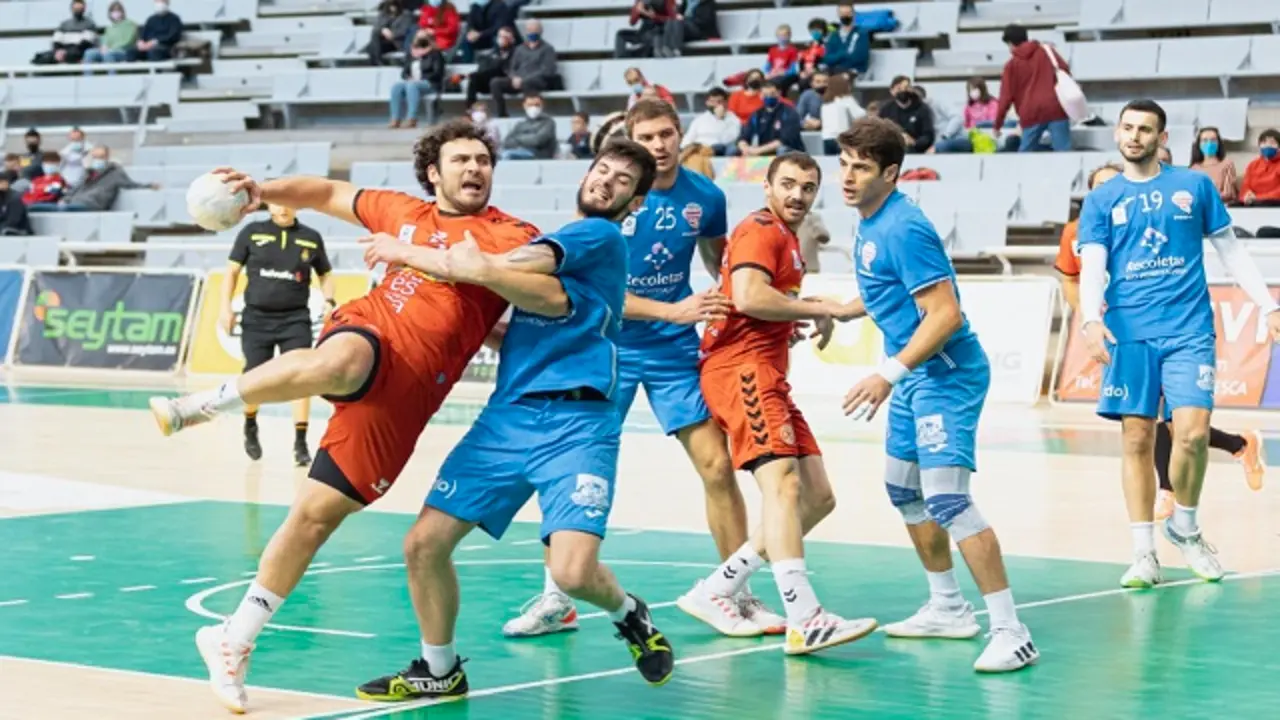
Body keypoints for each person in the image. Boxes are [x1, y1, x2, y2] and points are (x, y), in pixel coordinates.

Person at [148, 120, 540, 714]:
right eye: (461, 159)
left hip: (408, 398)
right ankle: (202, 406)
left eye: (483, 160)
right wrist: (263, 193)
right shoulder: (400, 210)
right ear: (434, 172)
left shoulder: (510, 232)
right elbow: (327, 194)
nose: (474, 169)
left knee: (313, 518)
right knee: (341, 360)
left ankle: (231, 637)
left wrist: (491, 324)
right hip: (373, 330)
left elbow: (536, 284)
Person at [354, 139, 675, 701]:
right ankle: (440, 668)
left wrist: (408, 252)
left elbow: (490, 267)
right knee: (423, 545)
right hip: (507, 420)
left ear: (637, 203)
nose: (606, 182)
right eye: (602, 170)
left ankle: (630, 614)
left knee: (574, 574)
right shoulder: (566, 251)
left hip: (578, 425)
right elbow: (516, 314)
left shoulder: (598, 237)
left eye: (623, 180)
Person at [502, 99, 786, 639]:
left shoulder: (706, 196)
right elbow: (597, 290)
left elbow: (719, 262)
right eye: (647, 136)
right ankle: (557, 600)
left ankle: (734, 595)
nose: (659, 145)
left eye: (666, 134)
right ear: (631, 139)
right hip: (604, 346)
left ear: (680, 135)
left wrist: (739, 306)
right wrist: (672, 308)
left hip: (674, 349)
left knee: (716, 467)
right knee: (567, 469)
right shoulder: (610, 201)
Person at [834, 116, 1037, 672]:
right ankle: (948, 607)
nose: (848, 177)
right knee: (904, 491)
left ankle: (1010, 629)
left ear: (891, 173)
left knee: (948, 500)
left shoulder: (903, 227)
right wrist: (835, 313)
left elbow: (945, 314)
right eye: (844, 164)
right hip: (915, 375)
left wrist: (887, 374)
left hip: (946, 375)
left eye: (862, 168)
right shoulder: (870, 221)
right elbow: (883, 288)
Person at [1077, 99, 1280, 589]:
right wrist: (1088, 319)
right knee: (1137, 439)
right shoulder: (1103, 199)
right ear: (1118, 134)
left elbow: (1230, 250)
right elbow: (1094, 263)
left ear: (1162, 138)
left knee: (1190, 433)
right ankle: (1143, 552)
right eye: (1127, 127)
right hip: (1129, 333)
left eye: (1145, 129)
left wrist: (1268, 305)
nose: (1134, 136)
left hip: (1189, 328)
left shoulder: (1194, 186)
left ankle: (1185, 527)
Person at [682, 152, 878, 655]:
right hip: (740, 370)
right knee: (784, 486)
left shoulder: (789, 240)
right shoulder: (760, 230)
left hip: (768, 370)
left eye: (807, 187)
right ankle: (805, 616)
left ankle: (716, 589)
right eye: (787, 184)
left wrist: (791, 322)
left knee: (817, 496)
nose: (797, 194)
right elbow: (748, 296)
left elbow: (760, 304)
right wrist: (822, 307)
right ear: (767, 187)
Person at [1056, 164, 1266, 520]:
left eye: (1114, 182)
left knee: (1178, 420)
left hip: (1167, 324)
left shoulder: (1147, 219)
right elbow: (1071, 280)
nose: (1110, 191)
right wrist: (1090, 319)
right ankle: (1238, 444)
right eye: (1100, 187)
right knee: (1152, 421)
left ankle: (1170, 491)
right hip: (1116, 331)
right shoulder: (1077, 232)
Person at [225, 203, 336, 466]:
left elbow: (326, 274)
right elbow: (231, 272)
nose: (283, 207)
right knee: (254, 379)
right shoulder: (252, 232)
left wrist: (330, 300)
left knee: (301, 379)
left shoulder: (310, 236)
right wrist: (224, 308)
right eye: (277, 201)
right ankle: (250, 424)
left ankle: (300, 442)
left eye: (288, 201)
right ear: (269, 204)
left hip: (295, 319)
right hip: (256, 319)